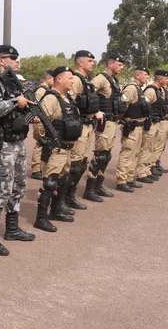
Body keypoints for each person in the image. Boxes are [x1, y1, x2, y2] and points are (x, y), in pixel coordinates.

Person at [0, 45, 36, 256]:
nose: (17, 60)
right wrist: (15, 101)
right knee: (2, 188)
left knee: (19, 185)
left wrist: (29, 111)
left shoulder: (14, 83)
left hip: (18, 142)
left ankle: (12, 228)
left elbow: (21, 108)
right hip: (3, 143)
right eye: (12, 57)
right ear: (1, 61)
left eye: (17, 57)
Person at [33, 66, 80, 232]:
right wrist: (44, 141)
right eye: (69, 77)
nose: (73, 80)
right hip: (55, 149)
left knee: (63, 179)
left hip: (67, 148)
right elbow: (40, 122)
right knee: (50, 182)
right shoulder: (51, 98)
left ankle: (55, 210)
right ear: (59, 79)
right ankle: (41, 218)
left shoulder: (67, 98)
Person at [69, 50, 104, 208]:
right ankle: (64, 198)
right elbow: (68, 103)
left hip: (89, 125)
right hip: (80, 126)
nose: (93, 63)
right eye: (89, 61)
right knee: (75, 164)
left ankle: (70, 195)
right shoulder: (76, 79)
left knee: (82, 163)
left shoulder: (87, 81)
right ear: (80, 62)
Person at [88, 54, 125, 199]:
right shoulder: (101, 78)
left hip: (112, 122)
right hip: (104, 123)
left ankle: (98, 185)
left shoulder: (113, 80)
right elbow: (88, 92)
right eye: (119, 65)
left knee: (107, 155)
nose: (121, 68)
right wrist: (95, 111)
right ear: (110, 64)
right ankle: (90, 189)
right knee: (100, 155)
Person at [114, 67, 151, 193]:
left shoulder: (139, 89)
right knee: (127, 152)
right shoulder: (131, 88)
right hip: (131, 126)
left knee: (135, 153)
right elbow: (122, 106)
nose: (147, 77)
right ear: (137, 76)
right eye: (145, 75)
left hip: (139, 126)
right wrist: (123, 120)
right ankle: (121, 180)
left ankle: (129, 177)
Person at [135, 70, 168, 183]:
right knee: (146, 147)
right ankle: (141, 172)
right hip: (150, 123)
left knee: (152, 147)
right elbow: (144, 106)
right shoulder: (150, 90)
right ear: (160, 79)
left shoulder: (159, 91)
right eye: (166, 78)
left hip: (156, 122)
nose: (167, 80)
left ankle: (147, 170)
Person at [30, 70, 54, 180]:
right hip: (39, 121)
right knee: (40, 143)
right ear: (48, 78)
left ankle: (40, 167)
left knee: (45, 143)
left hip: (44, 120)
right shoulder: (41, 90)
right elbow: (34, 104)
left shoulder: (46, 90)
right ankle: (35, 169)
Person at [155, 72, 168, 173]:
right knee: (158, 143)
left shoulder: (167, 91)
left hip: (167, 120)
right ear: (165, 79)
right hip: (162, 121)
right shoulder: (161, 91)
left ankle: (156, 162)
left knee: (162, 144)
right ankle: (153, 164)